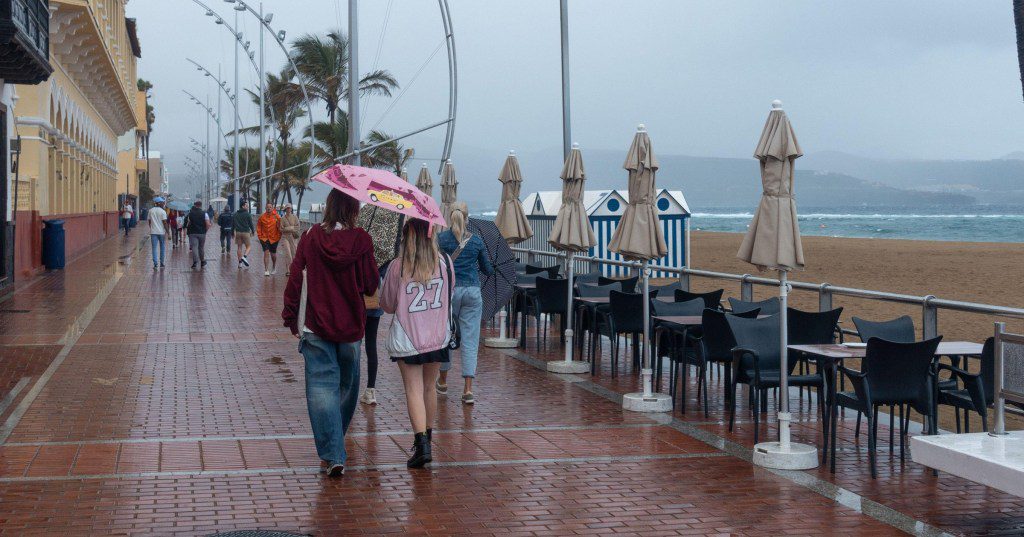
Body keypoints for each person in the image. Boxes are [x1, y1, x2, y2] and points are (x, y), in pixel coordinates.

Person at [282, 189, 379, 477]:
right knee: (348, 387)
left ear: (329, 207)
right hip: (350, 327)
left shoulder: (311, 236)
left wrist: (290, 316)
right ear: (353, 210)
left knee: (321, 388)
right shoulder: (362, 239)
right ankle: (335, 446)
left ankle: (333, 450)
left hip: (316, 325)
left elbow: (296, 274)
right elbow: (371, 284)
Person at [380, 218, 454, 468]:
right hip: (436, 337)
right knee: (429, 388)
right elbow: (448, 297)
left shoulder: (398, 267)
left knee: (413, 390)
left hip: (409, 339)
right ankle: (428, 440)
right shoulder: (445, 264)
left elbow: (387, 305)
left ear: (406, 238)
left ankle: (421, 444)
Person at [437, 202, 493, 404]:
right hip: (472, 291)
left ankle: (442, 381)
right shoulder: (477, 241)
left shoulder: (441, 239)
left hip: (449, 293)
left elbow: (436, 267)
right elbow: (488, 270)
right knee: (470, 340)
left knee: (446, 335)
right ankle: (468, 389)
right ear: (467, 218)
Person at [184, 201, 211, 270]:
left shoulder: (190, 214)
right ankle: (202, 261)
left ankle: (195, 262)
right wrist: (205, 231)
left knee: (194, 247)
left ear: (195, 205)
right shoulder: (205, 213)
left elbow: (187, 223)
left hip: (192, 233)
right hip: (202, 233)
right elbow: (208, 224)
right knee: (201, 247)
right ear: (201, 206)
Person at [257, 202, 282, 276]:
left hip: (274, 238)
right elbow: (259, 227)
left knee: (273, 254)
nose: (269, 208)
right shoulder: (262, 217)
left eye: (270, 207)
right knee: (266, 252)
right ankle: (266, 270)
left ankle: (274, 267)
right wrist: (260, 236)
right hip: (264, 238)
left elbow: (280, 227)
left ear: (272, 208)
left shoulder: (277, 217)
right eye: (267, 207)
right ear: (265, 208)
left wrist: (278, 236)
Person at [278, 204, 301, 276]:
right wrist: (290, 228)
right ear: (285, 209)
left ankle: (293, 269)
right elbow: (281, 229)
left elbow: (298, 227)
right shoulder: (282, 218)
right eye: (287, 208)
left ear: (291, 209)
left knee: (294, 253)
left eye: (289, 208)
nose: (288, 209)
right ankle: (288, 270)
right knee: (288, 253)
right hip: (285, 237)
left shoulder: (295, 217)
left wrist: (290, 228)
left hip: (293, 237)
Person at [148, 197, 169, 270]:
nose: (164, 204)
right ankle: (162, 263)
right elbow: (165, 223)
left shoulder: (150, 211)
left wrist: (152, 228)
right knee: (162, 247)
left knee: (154, 248)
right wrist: (168, 232)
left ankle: (155, 264)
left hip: (153, 232)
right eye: (163, 202)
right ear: (159, 203)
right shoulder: (163, 212)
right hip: (161, 233)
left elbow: (149, 222)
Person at [233, 202, 255, 269]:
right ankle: (244, 257)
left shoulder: (235, 214)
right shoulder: (247, 214)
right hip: (245, 232)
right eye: (246, 205)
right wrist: (253, 231)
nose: (247, 207)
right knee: (248, 246)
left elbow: (233, 224)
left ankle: (240, 264)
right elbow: (251, 224)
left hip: (238, 232)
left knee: (239, 247)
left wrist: (232, 232)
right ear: (242, 206)